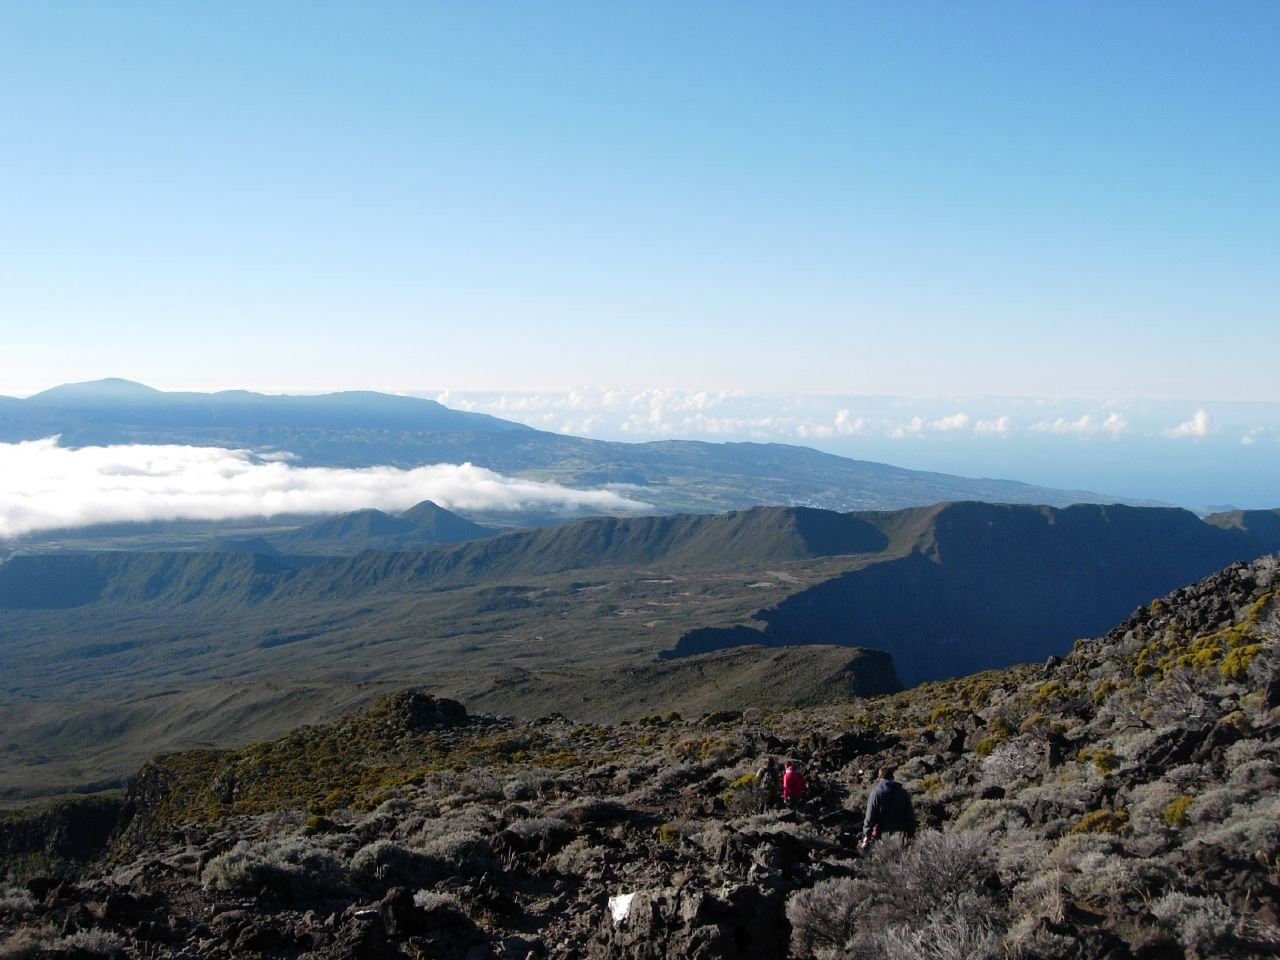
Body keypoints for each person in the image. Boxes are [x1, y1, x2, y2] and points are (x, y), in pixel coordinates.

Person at [861, 766, 915, 848]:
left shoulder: (876, 793)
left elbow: (870, 816)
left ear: (879, 778)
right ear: (892, 777)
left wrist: (867, 834)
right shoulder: (903, 793)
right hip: (901, 834)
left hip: (883, 835)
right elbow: (910, 815)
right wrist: (911, 832)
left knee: (885, 858)